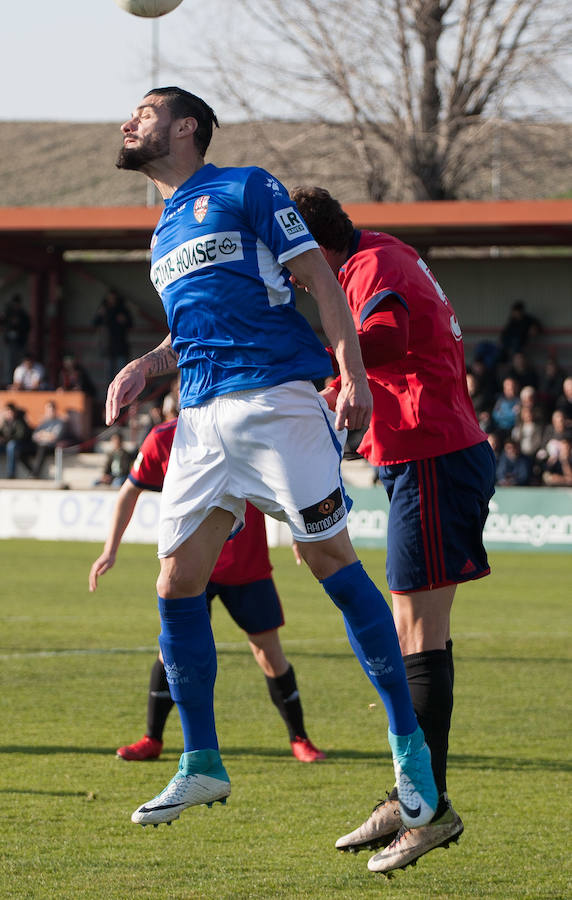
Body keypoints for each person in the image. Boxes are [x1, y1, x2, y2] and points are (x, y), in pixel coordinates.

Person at [107, 86, 437, 853]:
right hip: (199, 419)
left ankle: (408, 750)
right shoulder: (160, 233)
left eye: (145, 112)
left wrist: (351, 374)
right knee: (175, 581)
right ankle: (202, 760)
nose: (128, 122)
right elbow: (187, 333)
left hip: (277, 403)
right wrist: (147, 365)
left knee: (328, 560)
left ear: (186, 127)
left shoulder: (247, 186)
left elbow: (320, 281)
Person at [291, 185, 496, 874]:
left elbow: (388, 337)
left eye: (293, 259)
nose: (293, 275)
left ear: (313, 244)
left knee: (419, 637)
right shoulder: (377, 256)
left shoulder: (369, 266)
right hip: (422, 457)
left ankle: (428, 808)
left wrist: (317, 362)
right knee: (411, 633)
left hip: (436, 454)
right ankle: (415, 796)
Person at [88, 416, 325, 763]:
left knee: (269, 653)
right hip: (188, 567)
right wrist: (110, 549)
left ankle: (300, 739)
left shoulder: (244, 426)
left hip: (247, 566)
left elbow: (285, 480)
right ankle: (152, 738)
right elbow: (130, 489)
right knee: (171, 652)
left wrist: (298, 531)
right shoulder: (163, 438)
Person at [93, 289, 133, 384]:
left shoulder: (122, 310)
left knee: (123, 373)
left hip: (120, 345)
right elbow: (94, 323)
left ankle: (123, 394)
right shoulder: (104, 309)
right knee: (109, 375)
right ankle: (111, 395)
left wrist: (124, 320)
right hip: (108, 346)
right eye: (110, 298)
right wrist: (100, 314)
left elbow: (130, 324)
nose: (112, 300)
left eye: (113, 298)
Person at [30, 400, 74, 477]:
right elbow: (34, 436)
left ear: (55, 410)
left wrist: (42, 434)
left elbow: (54, 437)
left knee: (42, 448)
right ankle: (32, 471)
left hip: (51, 447)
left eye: (51, 409)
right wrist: (45, 435)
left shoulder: (60, 422)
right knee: (21, 451)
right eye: (47, 410)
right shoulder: (43, 421)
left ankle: (34, 474)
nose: (49, 412)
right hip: (39, 445)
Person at [0, 294, 30, 388]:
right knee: (8, 363)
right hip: (9, 342)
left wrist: (18, 324)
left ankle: (19, 384)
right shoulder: (8, 313)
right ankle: (7, 382)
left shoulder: (23, 315)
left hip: (20, 343)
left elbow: (28, 327)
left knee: (19, 362)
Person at [0, 403, 34, 478]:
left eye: (10, 411)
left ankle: (11, 474)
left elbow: (20, 435)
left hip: (22, 445)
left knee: (11, 445)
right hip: (8, 445)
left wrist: (5, 439)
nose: (9, 413)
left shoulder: (19, 421)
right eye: (7, 411)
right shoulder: (5, 422)